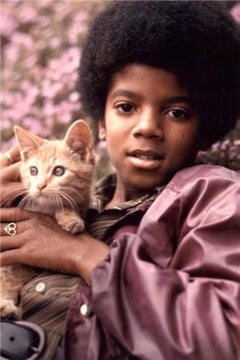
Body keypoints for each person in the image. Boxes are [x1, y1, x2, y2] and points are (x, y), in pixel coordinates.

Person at [1, 1, 240, 359]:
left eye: (176, 112)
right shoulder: (64, 200)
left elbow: (224, 333)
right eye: (127, 107)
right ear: (100, 122)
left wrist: (80, 254)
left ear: (206, 130)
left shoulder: (214, 196)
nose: (147, 127)